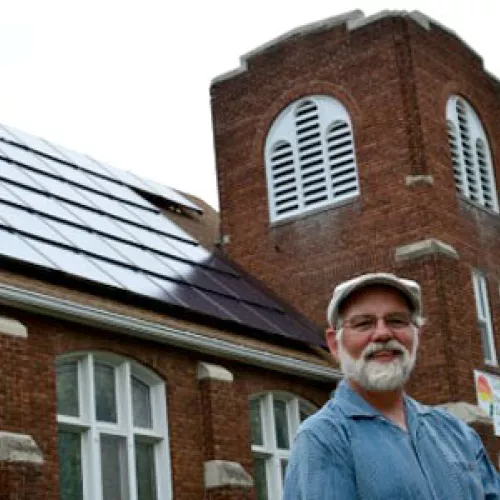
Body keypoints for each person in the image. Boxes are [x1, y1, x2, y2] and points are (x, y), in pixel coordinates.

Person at [284, 272, 500, 499]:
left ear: (417, 336)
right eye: (363, 323)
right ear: (334, 344)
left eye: (397, 321)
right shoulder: (324, 438)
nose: (382, 333)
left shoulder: (457, 433)